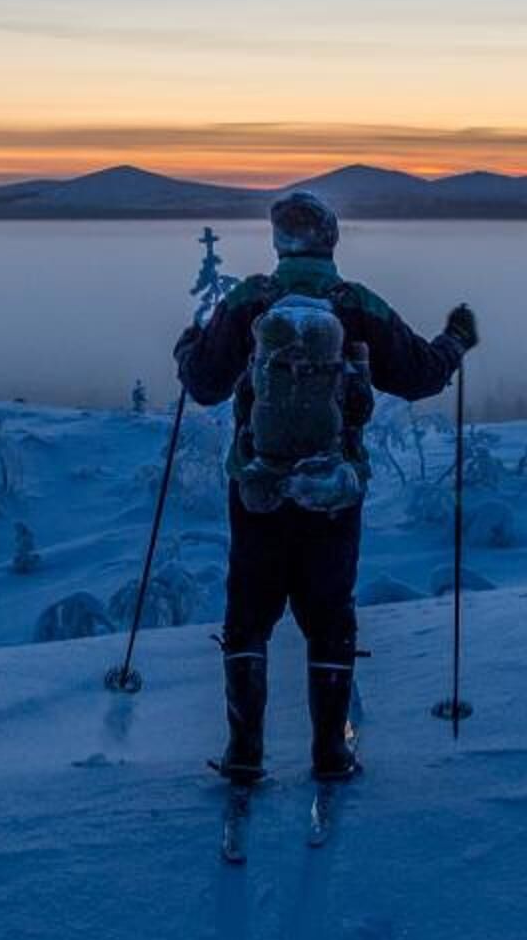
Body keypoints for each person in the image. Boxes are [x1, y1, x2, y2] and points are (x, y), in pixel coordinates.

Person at [174, 189, 477, 783]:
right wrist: (456, 341)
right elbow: (420, 377)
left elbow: (206, 385)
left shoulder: (250, 299)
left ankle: (244, 754)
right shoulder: (355, 304)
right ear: (330, 240)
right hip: (334, 490)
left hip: (257, 487)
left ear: (279, 241)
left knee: (247, 620)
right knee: (330, 617)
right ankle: (331, 756)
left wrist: (187, 348)